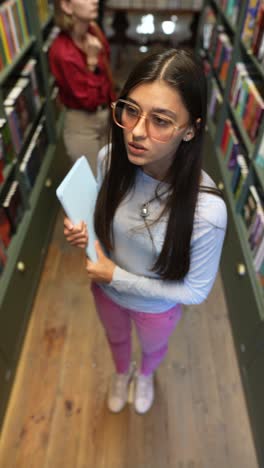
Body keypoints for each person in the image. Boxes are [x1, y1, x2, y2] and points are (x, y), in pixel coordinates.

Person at [63, 48, 227, 415]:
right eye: (131, 110)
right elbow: (104, 216)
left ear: (190, 131)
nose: (136, 131)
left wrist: (117, 276)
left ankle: (146, 375)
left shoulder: (208, 212)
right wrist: (85, 231)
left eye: (161, 121)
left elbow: (196, 290)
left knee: (153, 348)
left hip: (156, 307)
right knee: (116, 337)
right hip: (106, 289)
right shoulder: (110, 159)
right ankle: (122, 373)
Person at [49, 0, 115, 174]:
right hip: (82, 126)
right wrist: (91, 62)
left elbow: (107, 74)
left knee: (110, 177)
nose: (95, 0)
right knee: (94, 186)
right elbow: (88, 100)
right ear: (66, 6)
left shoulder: (94, 31)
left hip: (106, 117)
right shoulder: (61, 52)